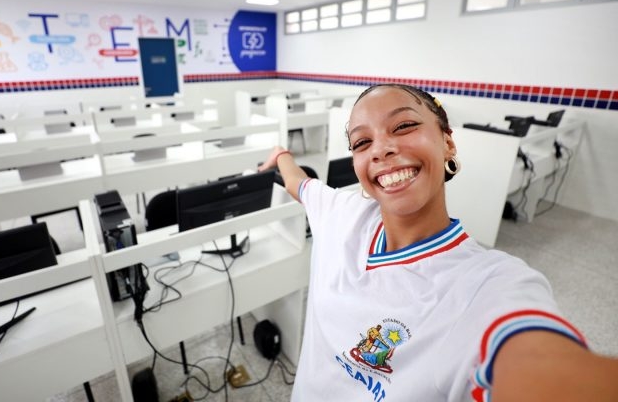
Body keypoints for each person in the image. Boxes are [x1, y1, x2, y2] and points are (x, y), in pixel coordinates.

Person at [258, 83, 618, 401]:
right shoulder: (342, 212)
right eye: (362, 142)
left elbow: (539, 364)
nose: (380, 149)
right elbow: (300, 184)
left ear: (447, 142)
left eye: (404, 126)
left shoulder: (488, 287)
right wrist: (282, 156)